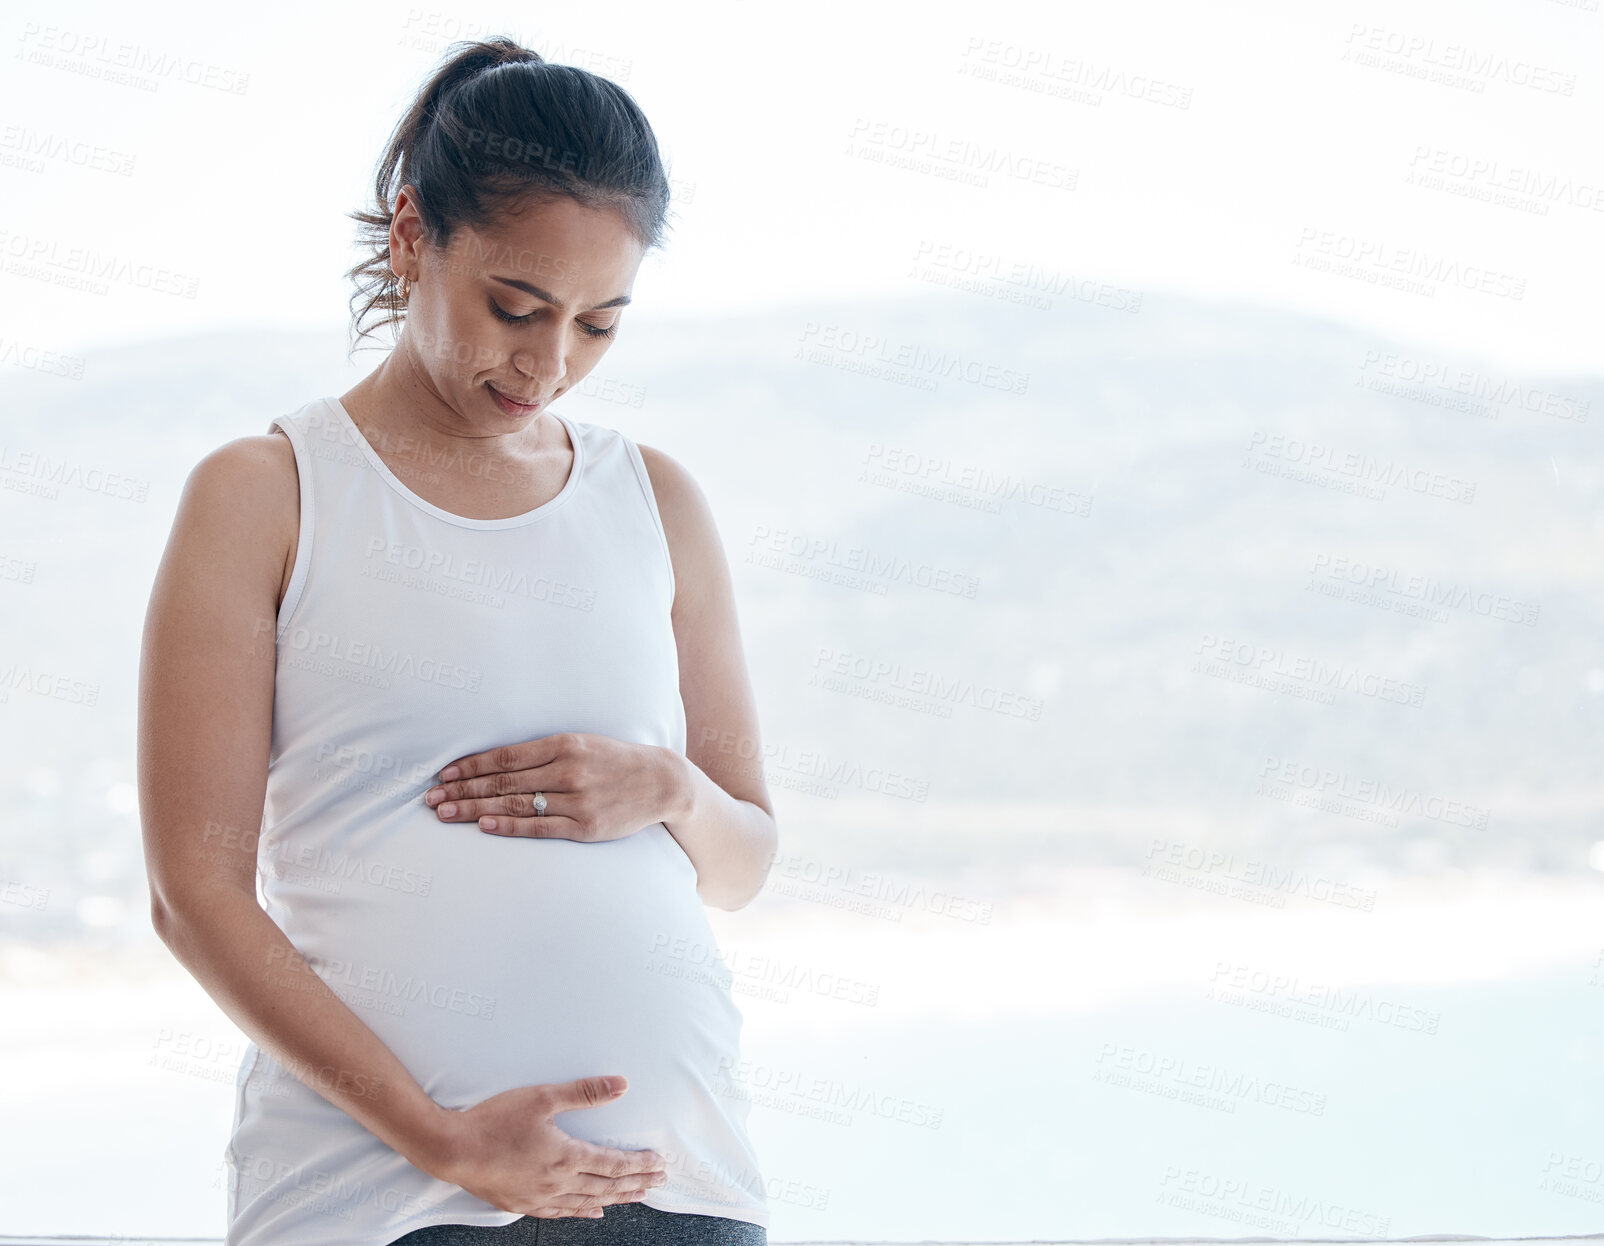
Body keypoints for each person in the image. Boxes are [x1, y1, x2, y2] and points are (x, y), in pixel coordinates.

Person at [137, 36, 778, 1245]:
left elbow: (743, 861)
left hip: (678, 1188)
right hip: (379, 1199)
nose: (547, 363)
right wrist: (445, 1141)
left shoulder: (657, 502)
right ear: (412, 236)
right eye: (516, 307)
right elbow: (194, 894)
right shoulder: (266, 492)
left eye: (599, 324)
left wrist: (668, 787)